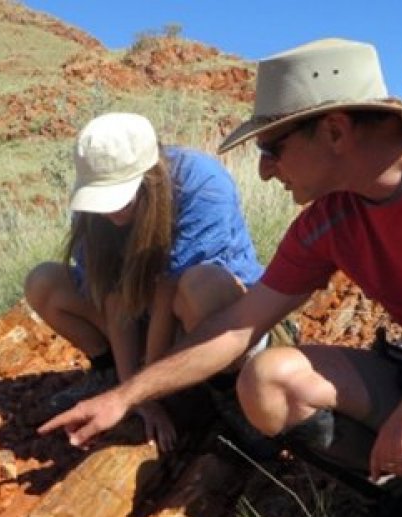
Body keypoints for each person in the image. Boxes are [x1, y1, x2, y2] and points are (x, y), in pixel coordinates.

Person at [40, 38, 402, 517]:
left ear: (335, 131)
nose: (265, 170)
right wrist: (127, 394)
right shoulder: (330, 219)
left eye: (274, 146)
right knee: (269, 381)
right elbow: (237, 328)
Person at [25, 112, 264, 451]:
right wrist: (130, 390)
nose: (111, 213)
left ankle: (229, 388)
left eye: (120, 198)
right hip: (145, 318)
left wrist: (143, 388)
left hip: (211, 319)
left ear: (149, 176)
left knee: (200, 285)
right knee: (44, 282)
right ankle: (107, 371)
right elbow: (114, 297)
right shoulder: (92, 215)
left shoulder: (201, 185)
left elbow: (169, 290)